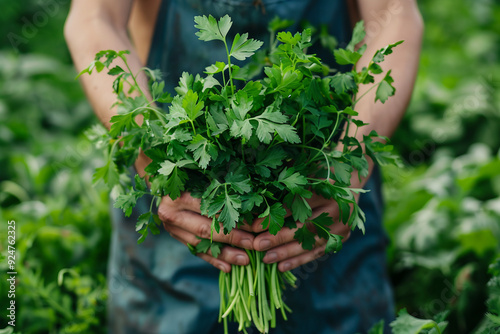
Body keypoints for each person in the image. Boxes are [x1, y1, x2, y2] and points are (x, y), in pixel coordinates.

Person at [64, 0, 423, 333]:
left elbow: (396, 14)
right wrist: (151, 154)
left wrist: (352, 158)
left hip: (325, 189)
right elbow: (94, 18)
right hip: (178, 203)